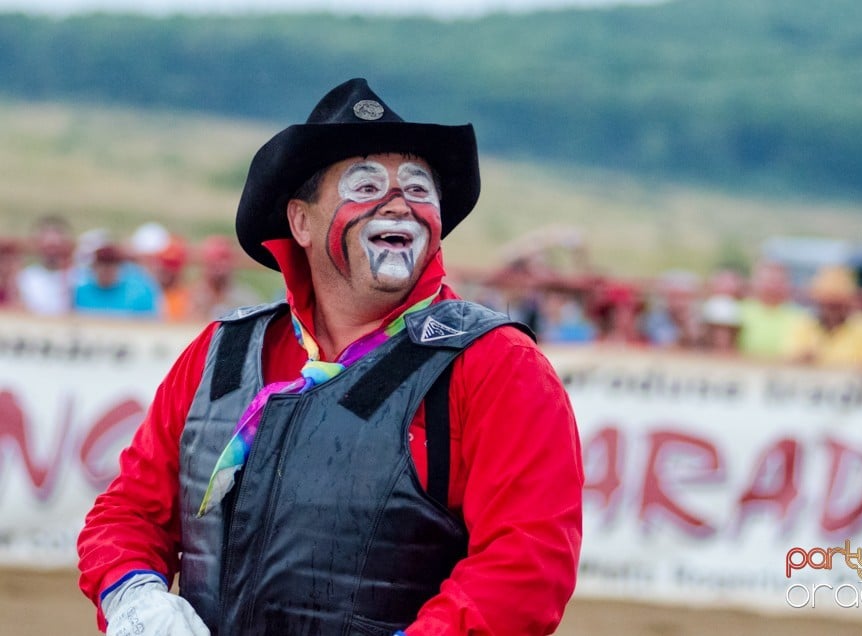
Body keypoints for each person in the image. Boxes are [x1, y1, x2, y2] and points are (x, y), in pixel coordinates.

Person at [77, 78, 583, 636]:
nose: (399, 204)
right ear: (301, 221)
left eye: (419, 188)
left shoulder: (498, 366)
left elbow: (526, 565)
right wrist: (134, 596)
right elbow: (129, 512)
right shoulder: (221, 355)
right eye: (366, 185)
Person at [786, 265, 862, 368]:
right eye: (828, 305)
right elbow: (789, 359)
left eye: (837, 305)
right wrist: (801, 360)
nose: (832, 311)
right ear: (819, 304)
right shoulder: (804, 325)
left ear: (848, 304)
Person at [74, 240, 163, 319]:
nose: (106, 270)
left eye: (111, 265)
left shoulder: (140, 293)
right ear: (94, 267)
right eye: (102, 265)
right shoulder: (80, 292)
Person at [188, 234, 261, 321]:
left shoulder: (246, 300)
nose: (219, 268)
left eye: (224, 261)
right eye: (214, 262)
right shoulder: (190, 298)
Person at [16, 214, 76, 315]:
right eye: (48, 247)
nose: (52, 253)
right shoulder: (25, 278)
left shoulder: (77, 278)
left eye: (56, 247)